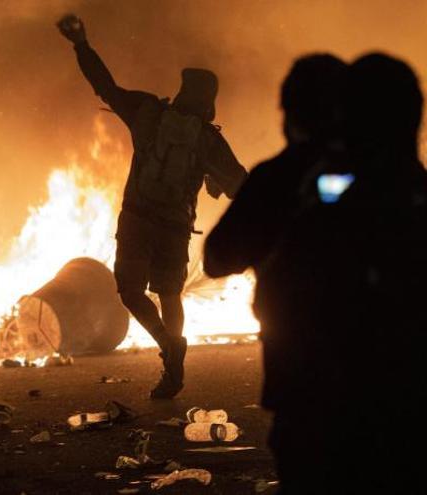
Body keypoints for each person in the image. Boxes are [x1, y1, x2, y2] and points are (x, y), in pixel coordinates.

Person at [207, 53, 427, 492]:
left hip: (312, 396)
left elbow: (219, 257)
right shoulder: (409, 185)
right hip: (403, 398)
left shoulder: (299, 184)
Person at [57, 14, 247, 398]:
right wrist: (214, 180)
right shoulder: (210, 142)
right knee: (170, 294)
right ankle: (173, 369)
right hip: (175, 227)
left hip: (138, 219)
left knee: (130, 291)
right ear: (210, 101)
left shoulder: (148, 113)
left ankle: (165, 342)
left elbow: (104, 86)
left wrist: (81, 43)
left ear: (181, 90)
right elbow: (242, 186)